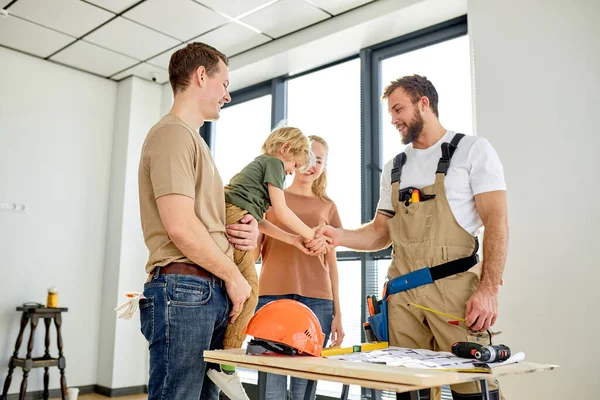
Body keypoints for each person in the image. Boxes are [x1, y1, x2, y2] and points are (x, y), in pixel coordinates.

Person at [311, 75, 508, 400]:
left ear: (424, 103)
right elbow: (380, 233)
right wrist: (338, 235)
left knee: (472, 389)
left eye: (398, 109)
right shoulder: (394, 167)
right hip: (402, 300)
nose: (393, 119)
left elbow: (497, 222)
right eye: (390, 112)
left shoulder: (471, 150)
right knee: (409, 392)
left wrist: (488, 289)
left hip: (455, 297)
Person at [137, 42, 259, 400]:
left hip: (206, 290)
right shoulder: (172, 134)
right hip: (186, 290)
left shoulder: (195, 142)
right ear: (201, 76)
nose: (228, 94)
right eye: (223, 84)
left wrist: (247, 231)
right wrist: (234, 276)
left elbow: (206, 221)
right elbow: (180, 225)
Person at [207, 127, 325, 400]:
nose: (292, 173)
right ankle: (225, 365)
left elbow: (262, 220)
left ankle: (225, 362)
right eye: (294, 166)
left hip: (236, 213)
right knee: (248, 290)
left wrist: (295, 239)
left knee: (244, 290)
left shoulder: (260, 171)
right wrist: (311, 235)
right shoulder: (272, 162)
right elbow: (281, 211)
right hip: (234, 215)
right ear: (285, 150)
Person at [253, 135, 345, 400]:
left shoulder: (328, 206)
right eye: (308, 157)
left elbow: (331, 264)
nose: (311, 165)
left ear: (325, 166)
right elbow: (254, 252)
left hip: (319, 301)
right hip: (272, 297)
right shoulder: (273, 198)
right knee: (272, 385)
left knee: (305, 388)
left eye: (319, 160)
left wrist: (338, 312)